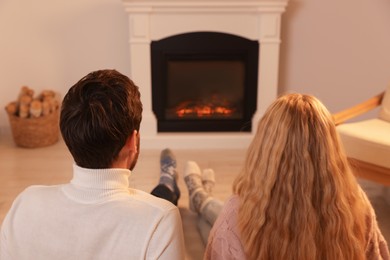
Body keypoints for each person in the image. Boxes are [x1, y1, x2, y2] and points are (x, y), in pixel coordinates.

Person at [0, 69, 185, 259]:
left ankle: (167, 180)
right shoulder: (160, 220)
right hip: (153, 216)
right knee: (161, 200)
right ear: (133, 141)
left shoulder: (26, 203)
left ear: (69, 136)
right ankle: (168, 181)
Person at [184, 93, 390, 260]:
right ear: (330, 148)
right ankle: (200, 197)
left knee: (222, 226)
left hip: (236, 224)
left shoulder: (235, 212)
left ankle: (200, 196)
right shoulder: (356, 202)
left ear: (263, 149)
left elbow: (220, 250)